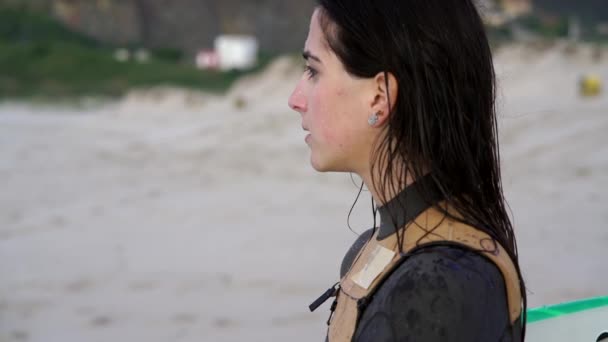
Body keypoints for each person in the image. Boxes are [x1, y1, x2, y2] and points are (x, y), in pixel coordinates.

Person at [287, 0, 527, 341]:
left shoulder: (437, 285)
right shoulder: (378, 250)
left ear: (379, 99)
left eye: (313, 70)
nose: (296, 98)